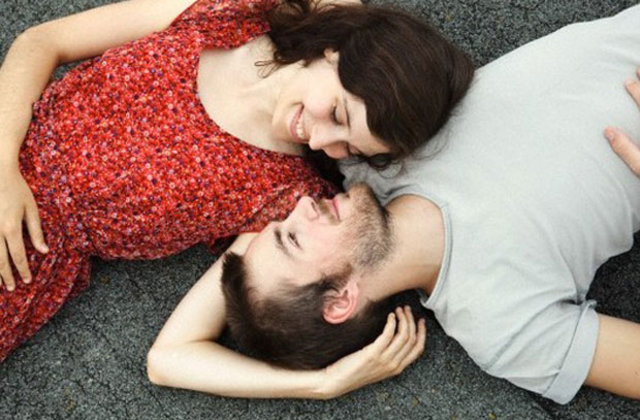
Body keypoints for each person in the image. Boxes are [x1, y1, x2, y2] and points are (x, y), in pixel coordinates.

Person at [147, 4, 640, 404]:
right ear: (340, 301)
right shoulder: (504, 329)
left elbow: (166, 356)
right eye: (292, 238)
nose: (302, 207)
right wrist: (320, 384)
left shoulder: (373, 154)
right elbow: (171, 359)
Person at [0, 0, 474, 361]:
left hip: (22, 255)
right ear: (335, 53)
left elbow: (175, 353)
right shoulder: (230, 14)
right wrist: (5, 169)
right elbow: (41, 42)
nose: (321, 139)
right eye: (337, 114)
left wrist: (324, 385)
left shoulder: (286, 194)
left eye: (348, 147)